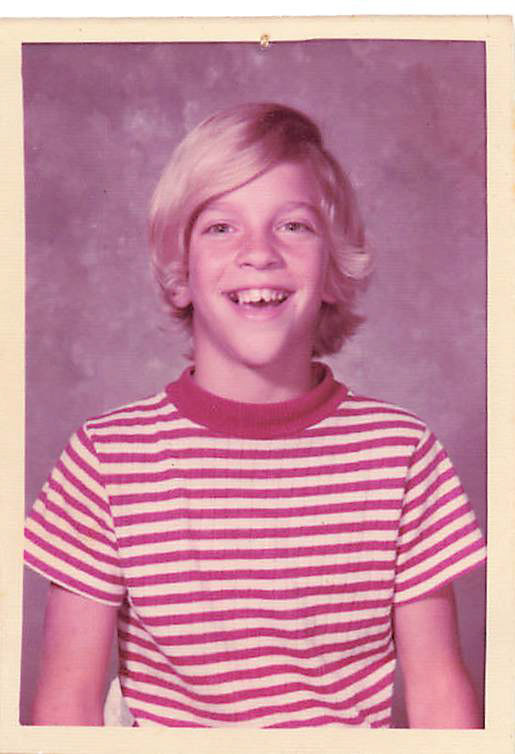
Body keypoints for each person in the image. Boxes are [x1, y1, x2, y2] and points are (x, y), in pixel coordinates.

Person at [24, 102, 486, 729]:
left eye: (293, 226)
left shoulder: (401, 454)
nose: (258, 253)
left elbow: (438, 695)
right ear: (181, 273)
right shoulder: (107, 460)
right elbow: (66, 705)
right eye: (221, 227)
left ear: (333, 268)